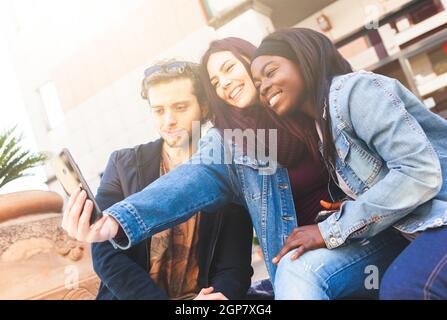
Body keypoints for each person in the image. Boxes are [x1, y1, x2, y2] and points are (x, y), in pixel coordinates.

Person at [61, 35, 410, 300]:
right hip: (294, 262)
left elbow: (234, 265)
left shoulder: (308, 108)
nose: (169, 121)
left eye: (229, 68)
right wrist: (114, 222)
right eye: (216, 81)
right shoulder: (228, 145)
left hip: (364, 236)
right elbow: (183, 185)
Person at [250, 28, 447, 300]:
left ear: (303, 58)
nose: (264, 87)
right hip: (411, 228)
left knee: (404, 287)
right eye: (258, 85)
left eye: (270, 72)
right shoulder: (323, 128)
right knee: (297, 267)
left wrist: (331, 229)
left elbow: (418, 173)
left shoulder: (354, 91)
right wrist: (351, 205)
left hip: (440, 217)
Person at [63, 60, 254, 300]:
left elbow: (234, 266)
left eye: (181, 107)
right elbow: (106, 255)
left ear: (204, 107)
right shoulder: (124, 164)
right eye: (159, 110)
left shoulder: (227, 166)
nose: (168, 121)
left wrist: (220, 296)